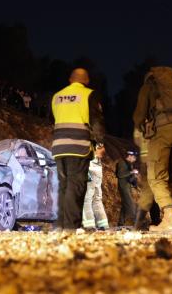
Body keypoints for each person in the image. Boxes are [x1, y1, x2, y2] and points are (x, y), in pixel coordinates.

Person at [133, 66, 172, 233]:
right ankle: (168, 219)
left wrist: (142, 127)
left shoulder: (150, 86)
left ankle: (170, 218)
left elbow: (139, 116)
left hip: (162, 132)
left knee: (156, 177)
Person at [51, 68, 105, 230]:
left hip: (59, 147)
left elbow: (54, 119)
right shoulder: (89, 95)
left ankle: (61, 224)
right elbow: (96, 122)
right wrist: (100, 144)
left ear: (70, 79)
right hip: (78, 146)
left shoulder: (57, 96)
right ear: (86, 80)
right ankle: (71, 226)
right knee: (76, 185)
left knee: (64, 185)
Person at [133, 129, 161, 230]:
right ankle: (151, 221)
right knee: (150, 198)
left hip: (152, 167)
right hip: (148, 167)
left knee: (150, 197)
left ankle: (141, 223)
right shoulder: (145, 134)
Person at [82, 146, 109, 230]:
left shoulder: (88, 144)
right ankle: (103, 225)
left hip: (90, 169)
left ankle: (89, 226)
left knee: (86, 200)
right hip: (98, 169)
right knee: (97, 200)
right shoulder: (97, 142)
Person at [116, 151, 138, 226]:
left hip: (127, 186)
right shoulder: (122, 162)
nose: (135, 160)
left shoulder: (129, 164)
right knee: (130, 204)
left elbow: (130, 177)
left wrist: (135, 181)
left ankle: (120, 223)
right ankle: (133, 222)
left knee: (125, 205)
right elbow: (120, 175)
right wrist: (131, 172)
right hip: (123, 187)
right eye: (134, 158)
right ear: (130, 156)